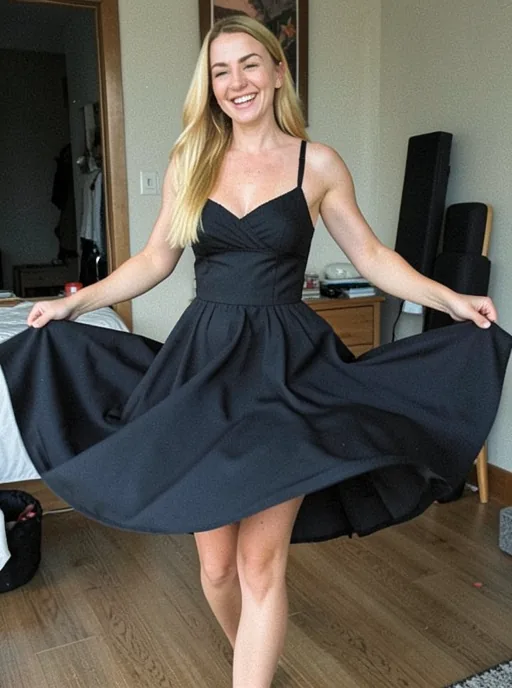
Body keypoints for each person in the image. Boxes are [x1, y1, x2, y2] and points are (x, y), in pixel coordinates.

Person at [1, 15, 511, 688]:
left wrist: (450, 298)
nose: (236, 81)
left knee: (259, 565)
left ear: (276, 72)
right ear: (209, 86)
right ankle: (254, 656)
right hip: (203, 366)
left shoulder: (317, 163)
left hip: (287, 371)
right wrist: (75, 302)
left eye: (249, 64)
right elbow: (154, 260)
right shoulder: (191, 159)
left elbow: (372, 256)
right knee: (216, 568)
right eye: (220, 71)